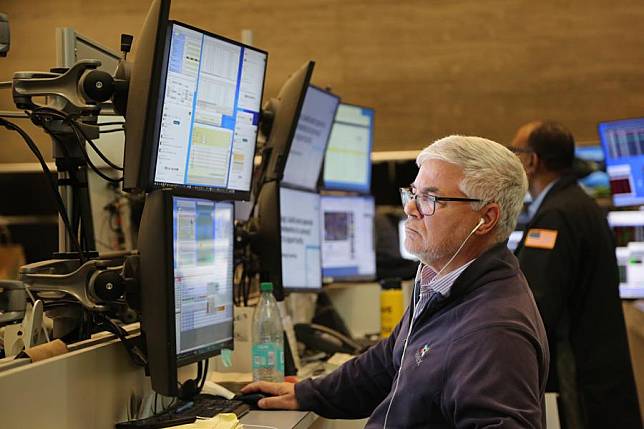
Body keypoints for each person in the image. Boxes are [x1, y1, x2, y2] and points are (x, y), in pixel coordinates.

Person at [242, 135, 550, 428]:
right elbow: (387, 362)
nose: (410, 208)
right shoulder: (443, 286)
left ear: (486, 218)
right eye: (413, 193)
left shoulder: (495, 332)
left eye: (431, 198)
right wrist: (306, 393)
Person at [511, 121, 641, 429]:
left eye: (515, 151)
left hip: (577, 373)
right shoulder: (581, 203)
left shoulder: (555, 216)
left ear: (532, 161)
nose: (513, 159)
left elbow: (535, 305)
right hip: (598, 367)